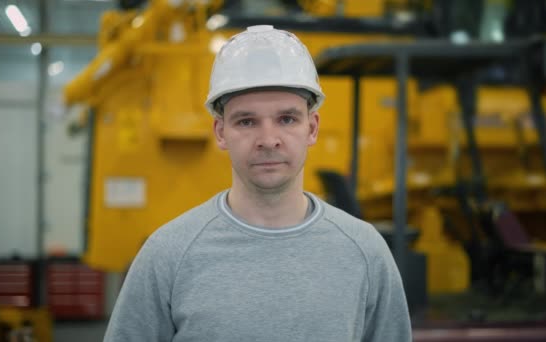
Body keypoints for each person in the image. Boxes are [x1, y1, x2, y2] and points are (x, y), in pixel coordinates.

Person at [104, 25, 411, 342]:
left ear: (312, 127)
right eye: (247, 121)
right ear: (221, 132)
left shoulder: (365, 252)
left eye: (287, 119)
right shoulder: (168, 255)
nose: (268, 140)